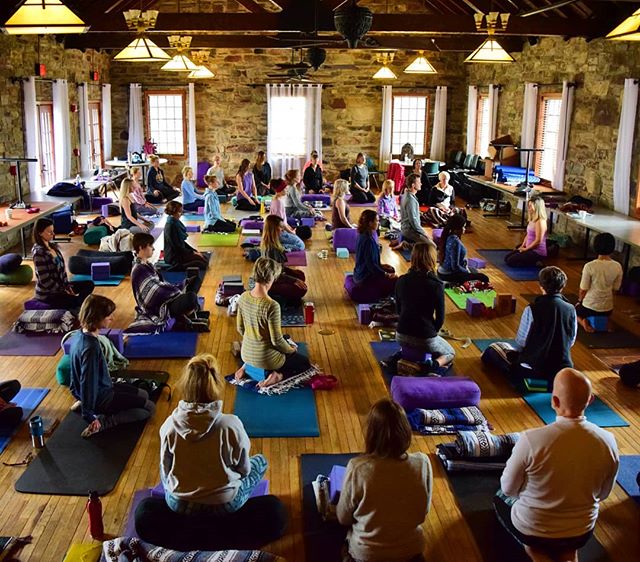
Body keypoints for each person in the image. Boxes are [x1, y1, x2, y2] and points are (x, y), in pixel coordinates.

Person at [495, 368, 619, 562]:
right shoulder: (609, 441)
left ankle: (537, 554)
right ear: (590, 401)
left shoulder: (531, 439)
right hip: (581, 532)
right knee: (567, 545)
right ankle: (569, 554)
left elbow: (508, 489)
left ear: (554, 401)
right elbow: (603, 494)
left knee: (500, 497)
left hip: (532, 530)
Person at [160, 353, 267, 514]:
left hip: (179, 503)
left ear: (185, 385)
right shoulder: (230, 425)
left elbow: (166, 469)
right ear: (215, 383)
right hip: (223, 504)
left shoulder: (168, 426)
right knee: (260, 461)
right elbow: (244, 470)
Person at [337, 398, 432, 562]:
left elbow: (343, 517)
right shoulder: (422, 463)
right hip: (411, 553)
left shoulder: (358, 468)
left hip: (367, 555)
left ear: (371, 434)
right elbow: (423, 512)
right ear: (405, 431)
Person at [70, 294, 155, 438]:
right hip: (102, 397)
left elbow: (75, 374)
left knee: (144, 394)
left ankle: (83, 402)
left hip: (103, 387)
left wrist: (77, 394)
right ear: (97, 317)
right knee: (150, 408)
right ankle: (106, 422)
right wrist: (88, 414)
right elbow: (87, 382)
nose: (112, 318)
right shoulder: (91, 347)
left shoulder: (79, 335)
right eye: (109, 316)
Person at [481, 266, 577, 391]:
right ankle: (555, 385)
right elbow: (571, 340)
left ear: (541, 285)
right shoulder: (571, 309)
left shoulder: (533, 309)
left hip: (533, 368)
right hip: (562, 371)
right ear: (562, 286)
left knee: (493, 349)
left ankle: (533, 384)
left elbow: (522, 341)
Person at [235, 257, 312, 388]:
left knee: (285, 337)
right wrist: (291, 351)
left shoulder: (243, 297)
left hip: (246, 354)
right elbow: (276, 341)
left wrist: (255, 341)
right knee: (304, 363)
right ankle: (278, 376)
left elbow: (240, 329)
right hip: (267, 359)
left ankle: (245, 367)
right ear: (271, 278)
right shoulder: (272, 305)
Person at [393, 242, 455, 370]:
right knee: (450, 352)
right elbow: (440, 318)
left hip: (401, 335)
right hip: (425, 337)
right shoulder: (436, 284)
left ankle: (400, 356)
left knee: (412, 344)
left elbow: (398, 311)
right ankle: (431, 365)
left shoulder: (401, 280)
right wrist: (432, 333)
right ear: (432, 259)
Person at [130, 233, 206, 332]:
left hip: (166, 299)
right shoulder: (138, 269)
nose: (153, 249)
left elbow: (160, 284)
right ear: (141, 248)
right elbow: (155, 291)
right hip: (159, 307)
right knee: (191, 298)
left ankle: (186, 314)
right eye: (150, 246)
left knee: (195, 280)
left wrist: (178, 288)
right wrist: (175, 291)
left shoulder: (147, 264)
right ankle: (184, 318)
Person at [32, 218, 94, 312]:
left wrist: (68, 286)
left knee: (89, 284)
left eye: (53, 231)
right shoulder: (39, 253)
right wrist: (64, 291)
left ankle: (78, 305)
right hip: (49, 294)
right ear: (40, 233)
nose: (53, 234)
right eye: (49, 232)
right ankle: (78, 306)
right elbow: (45, 280)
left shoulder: (52, 246)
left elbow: (62, 272)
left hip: (62, 287)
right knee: (77, 301)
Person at [576, 233, 623, 333]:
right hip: (608, 308)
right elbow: (616, 288)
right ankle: (607, 320)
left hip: (589, 307)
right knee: (605, 313)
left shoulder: (590, 266)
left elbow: (583, 289)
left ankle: (583, 322)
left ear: (595, 247)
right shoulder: (618, 266)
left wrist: (579, 301)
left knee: (573, 311)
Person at [352, 210, 397, 303]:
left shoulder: (362, 234)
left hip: (360, 272)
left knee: (391, 269)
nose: (378, 222)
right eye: (376, 220)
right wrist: (386, 275)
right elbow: (371, 266)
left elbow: (370, 261)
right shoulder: (368, 240)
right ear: (370, 223)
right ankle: (386, 299)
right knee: (395, 280)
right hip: (364, 278)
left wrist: (383, 267)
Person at [260, 215, 307, 304]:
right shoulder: (271, 249)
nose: (282, 230)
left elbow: (280, 268)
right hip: (271, 281)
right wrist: (293, 280)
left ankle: (283, 295)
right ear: (274, 229)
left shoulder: (275, 243)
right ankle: (275, 296)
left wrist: (294, 276)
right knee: (300, 289)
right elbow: (274, 275)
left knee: (300, 275)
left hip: (278, 274)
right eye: (280, 228)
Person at [437, 213, 489, 284]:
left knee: (474, 270)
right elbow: (455, 267)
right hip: (449, 274)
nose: (464, 229)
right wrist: (467, 272)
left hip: (443, 272)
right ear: (456, 229)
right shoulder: (455, 242)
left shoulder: (448, 236)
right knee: (484, 277)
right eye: (463, 227)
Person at [164, 201, 209, 270]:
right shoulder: (171, 225)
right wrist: (192, 253)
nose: (181, 213)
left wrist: (194, 251)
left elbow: (181, 242)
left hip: (180, 252)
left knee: (204, 258)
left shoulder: (175, 220)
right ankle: (176, 267)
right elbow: (177, 247)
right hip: (174, 256)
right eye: (180, 211)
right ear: (174, 212)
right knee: (203, 264)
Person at [505, 196, 547, 268]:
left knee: (510, 261)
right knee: (507, 258)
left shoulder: (540, 221)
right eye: (529, 206)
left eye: (531, 206)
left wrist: (525, 249)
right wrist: (523, 246)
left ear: (537, 208)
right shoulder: (532, 218)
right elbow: (528, 235)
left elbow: (538, 241)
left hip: (537, 252)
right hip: (529, 248)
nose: (529, 208)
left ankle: (536, 262)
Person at [398, 173, 435, 249]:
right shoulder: (410, 200)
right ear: (413, 185)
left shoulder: (407, 194)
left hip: (409, 228)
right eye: (419, 182)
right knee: (432, 246)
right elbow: (413, 222)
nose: (421, 184)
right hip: (410, 231)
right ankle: (406, 245)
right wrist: (424, 233)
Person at [269, 180, 305, 252]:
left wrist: (289, 228)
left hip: (278, 231)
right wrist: (292, 233)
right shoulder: (278, 203)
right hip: (279, 234)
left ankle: (277, 244)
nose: (287, 189)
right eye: (285, 188)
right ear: (280, 190)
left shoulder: (276, 199)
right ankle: (278, 247)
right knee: (301, 245)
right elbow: (280, 223)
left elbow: (283, 220)